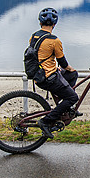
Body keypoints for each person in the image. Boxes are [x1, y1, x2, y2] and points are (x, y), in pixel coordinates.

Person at [29, 7, 79, 139]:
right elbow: (62, 61)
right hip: (48, 77)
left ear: (40, 23)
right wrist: (69, 67)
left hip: (38, 75)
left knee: (73, 75)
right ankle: (45, 121)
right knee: (73, 97)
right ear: (55, 24)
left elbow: (39, 55)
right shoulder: (54, 40)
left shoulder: (34, 37)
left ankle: (65, 108)